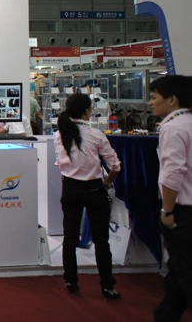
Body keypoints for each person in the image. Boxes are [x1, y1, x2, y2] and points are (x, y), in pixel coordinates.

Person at [54, 92, 121, 300]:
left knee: (70, 236)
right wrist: (107, 182)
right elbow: (115, 166)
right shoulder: (96, 135)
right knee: (101, 240)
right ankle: (107, 285)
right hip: (93, 189)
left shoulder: (60, 134)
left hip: (69, 188)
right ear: (87, 111)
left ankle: (70, 280)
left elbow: (60, 162)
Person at [150, 75, 192, 322]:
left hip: (182, 212)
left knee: (185, 273)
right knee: (177, 277)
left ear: (172, 100)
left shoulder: (173, 127)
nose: (151, 103)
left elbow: (173, 173)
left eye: (154, 97)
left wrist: (167, 211)